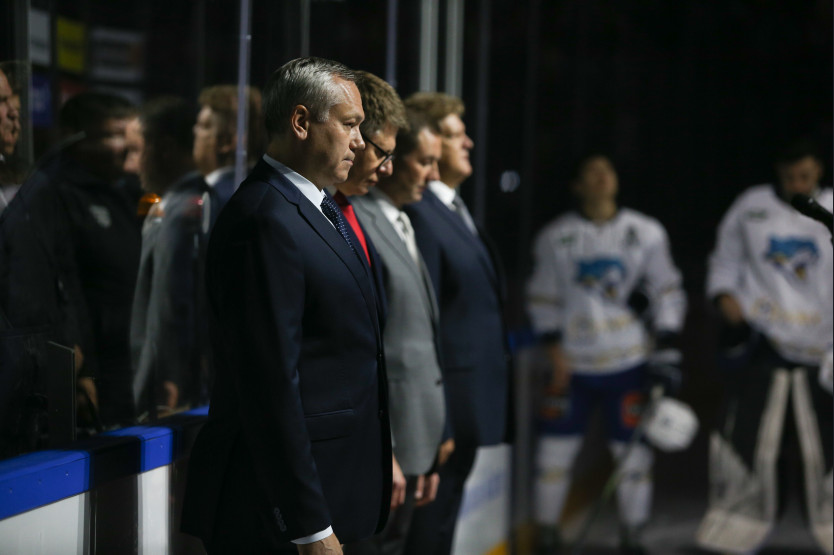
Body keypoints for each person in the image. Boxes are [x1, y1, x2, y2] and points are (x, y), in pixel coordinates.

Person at [181, 57, 391, 554]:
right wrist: (308, 525)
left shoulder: (315, 207)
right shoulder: (264, 219)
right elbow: (269, 384)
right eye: (349, 124)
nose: (360, 143)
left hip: (327, 492)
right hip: (277, 516)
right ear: (300, 122)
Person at [526, 153, 687, 554]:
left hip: (629, 362)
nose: (600, 177)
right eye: (591, 171)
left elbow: (668, 289)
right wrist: (554, 351)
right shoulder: (554, 237)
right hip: (572, 365)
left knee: (634, 459)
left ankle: (633, 535)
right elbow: (542, 297)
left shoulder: (646, 232)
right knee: (553, 455)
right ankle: (547, 534)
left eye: (607, 170)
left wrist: (665, 343)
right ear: (576, 185)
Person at [696, 140, 833, 554]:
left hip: (824, 348)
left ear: (819, 170)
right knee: (749, 439)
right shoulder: (750, 206)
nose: (798, 185)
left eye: (805, 176)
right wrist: (725, 298)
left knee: (826, 445)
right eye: (790, 177)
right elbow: (724, 263)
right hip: (764, 342)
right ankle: (736, 529)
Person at [401, 92, 511, 555]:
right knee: (427, 531)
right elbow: (421, 320)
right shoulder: (420, 213)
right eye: (453, 135)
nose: (468, 142)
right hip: (446, 408)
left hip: (468, 404)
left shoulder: (451, 210)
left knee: (442, 526)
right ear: (426, 143)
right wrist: (438, 418)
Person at [3, 92, 141, 429]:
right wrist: (83, 370)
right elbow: (65, 282)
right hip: (92, 363)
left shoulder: (124, 192)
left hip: (127, 355)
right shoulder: (56, 193)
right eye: (113, 135)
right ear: (76, 138)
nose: (125, 146)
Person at [347, 108, 448, 555]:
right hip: (389, 444)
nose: (434, 174)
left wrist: (434, 431)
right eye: (424, 161)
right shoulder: (359, 221)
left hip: (417, 435)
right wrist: (384, 447)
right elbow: (369, 350)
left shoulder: (403, 220)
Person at [129, 97, 214, 419]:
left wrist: (168, 378)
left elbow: (170, 306)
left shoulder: (179, 213)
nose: (132, 165)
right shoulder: (185, 205)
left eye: (138, 151)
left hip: (171, 392)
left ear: (162, 149)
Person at [193, 84, 265, 212]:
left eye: (204, 126)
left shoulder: (217, 199)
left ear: (225, 142)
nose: (194, 131)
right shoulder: (261, 189)